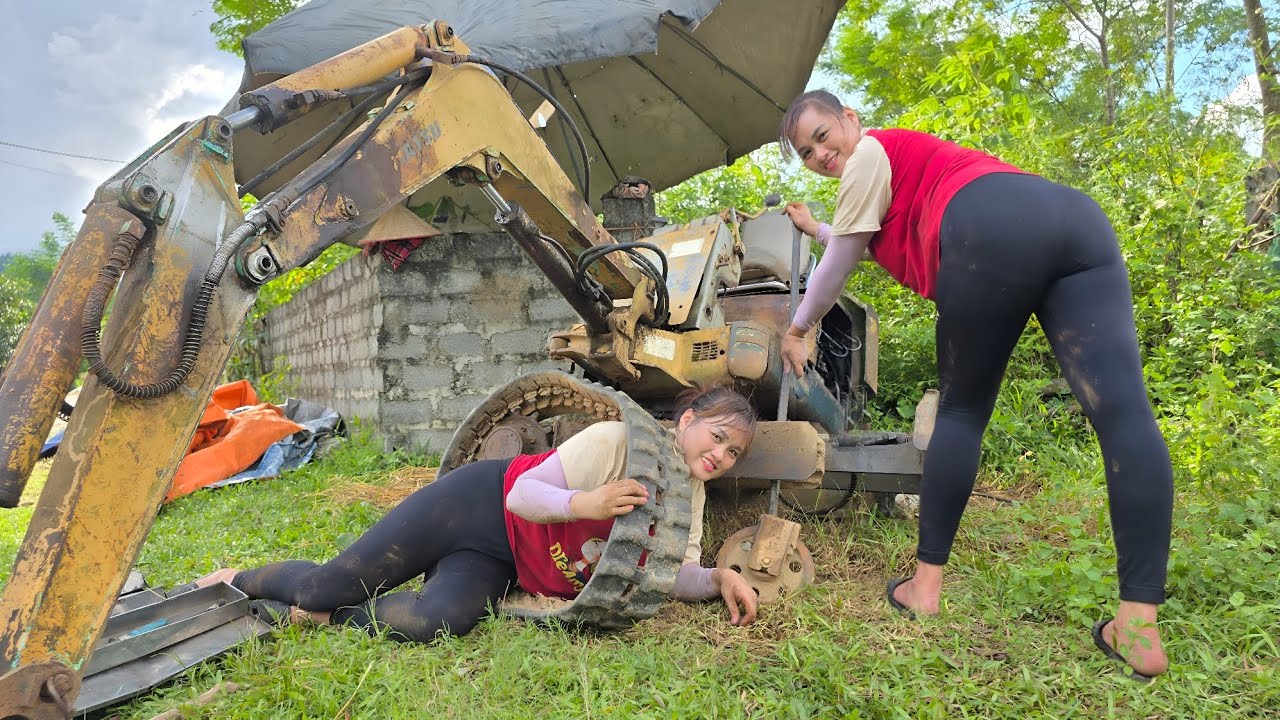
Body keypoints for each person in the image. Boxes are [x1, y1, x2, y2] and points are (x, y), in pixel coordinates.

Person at [776, 90, 1173, 680]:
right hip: (1072, 221)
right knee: (1124, 416)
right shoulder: (892, 166)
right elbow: (858, 233)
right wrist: (817, 226)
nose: (819, 155)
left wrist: (799, 327)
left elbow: (843, 258)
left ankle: (926, 587)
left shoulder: (867, 155)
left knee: (961, 414)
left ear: (851, 120)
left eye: (822, 136)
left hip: (986, 231)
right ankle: (1139, 625)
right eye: (806, 153)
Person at [196, 385, 759, 642]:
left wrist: (716, 578)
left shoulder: (689, 500)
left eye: (733, 454)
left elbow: (669, 572)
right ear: (686, 422)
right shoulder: (618, 441)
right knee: (330, 584)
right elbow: (523, 496)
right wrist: (586, 503)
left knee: (436, 622)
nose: (720, 455)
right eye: (717, 437)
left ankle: (322, 621)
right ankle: (234, 579)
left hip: (502, 560)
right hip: (478, 504)